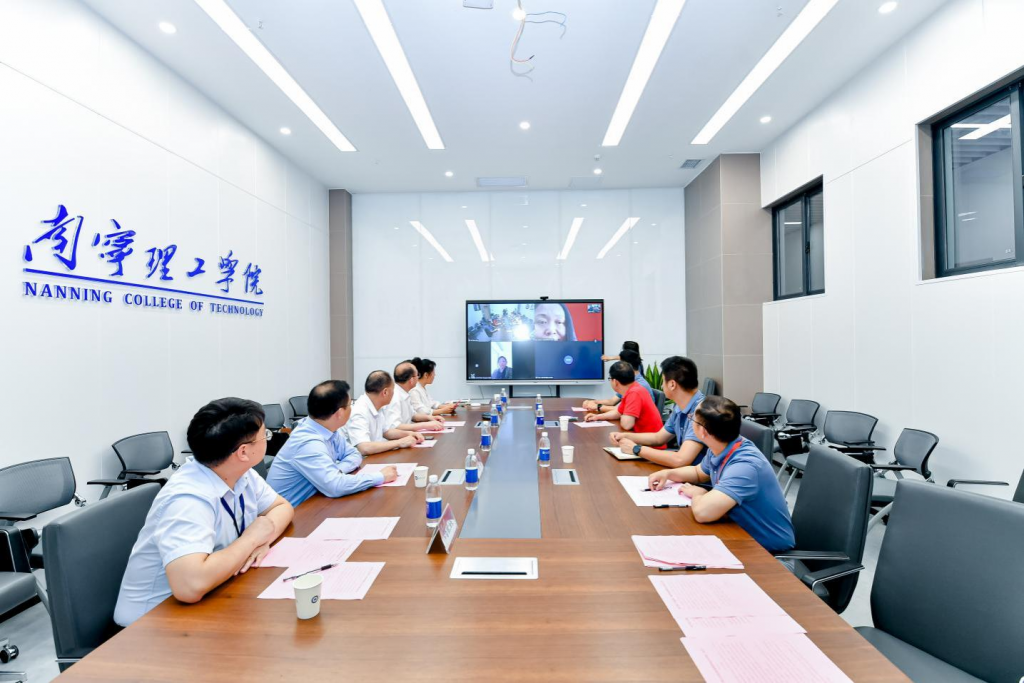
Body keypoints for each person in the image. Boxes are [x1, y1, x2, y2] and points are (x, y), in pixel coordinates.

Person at [114, 399, 294, 626]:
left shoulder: (238, 472)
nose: (268, 439)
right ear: (243, 451)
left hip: (214, 593)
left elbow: (282, 507)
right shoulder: (187, 499)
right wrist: (252, 539)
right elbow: (190, 587)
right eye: (265, 435)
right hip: (151, 624)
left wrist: (263, 537)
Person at [647, 396, 794, 553]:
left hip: (766, 551)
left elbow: (703, 513)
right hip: (738, 532)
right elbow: (698, 472)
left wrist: (698, 494)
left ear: (702, 431)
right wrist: (668, 474)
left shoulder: (745, 466)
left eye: (692, 418)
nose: (690, 420)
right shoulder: (722, 445)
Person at [267, 380, 397, 507]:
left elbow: (354, 454)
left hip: (316, 500)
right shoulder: (308, 442)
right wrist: (380, 476)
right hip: (295, 512)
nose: (352, 408)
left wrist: (336, 470)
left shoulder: (327, 429)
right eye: (350, 404)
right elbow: (335, 486)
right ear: (340, 413)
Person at [610, 356, 706, 468]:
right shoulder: (680, 407)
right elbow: (658, 438)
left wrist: (636, 449)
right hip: (685, 471)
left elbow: (680, 459)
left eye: (663, 381)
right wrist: (625, 436)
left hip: (698, 477)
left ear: (672, 384)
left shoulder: (700, 412)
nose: (661, 386)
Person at [346, 370, 425, 455]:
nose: (394, 394)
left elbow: (386, 432)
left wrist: (409, 434)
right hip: (364, 460)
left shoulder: (377, 406)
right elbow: (364, 448)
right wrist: (400, 442)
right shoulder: (359, 411)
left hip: (375, 455)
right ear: (385, 392)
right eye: (393, 390)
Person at [584, 361, 664, 435]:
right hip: (641, 436)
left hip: (649, 441)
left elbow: (627, 425)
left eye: (610, 379)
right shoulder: (632, 389)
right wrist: (597, 417)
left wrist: (623, 415)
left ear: (615, 382)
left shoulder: (634, 393)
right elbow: (618, 412)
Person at [582, 348, 651, 410]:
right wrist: (593, 402)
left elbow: (623, 410)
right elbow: (612, 402)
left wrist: (597, 407)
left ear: (626, 365)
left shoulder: (640, 386)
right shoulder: (628, 381)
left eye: (620, 363)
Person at [388, 362, 444, 428]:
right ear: (411, 380)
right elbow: (395, 426)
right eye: (417, 375)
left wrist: (430, 418)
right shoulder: (394, 396)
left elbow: (413, 415)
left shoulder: (404, 393)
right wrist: (425, 425)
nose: (418, 378)